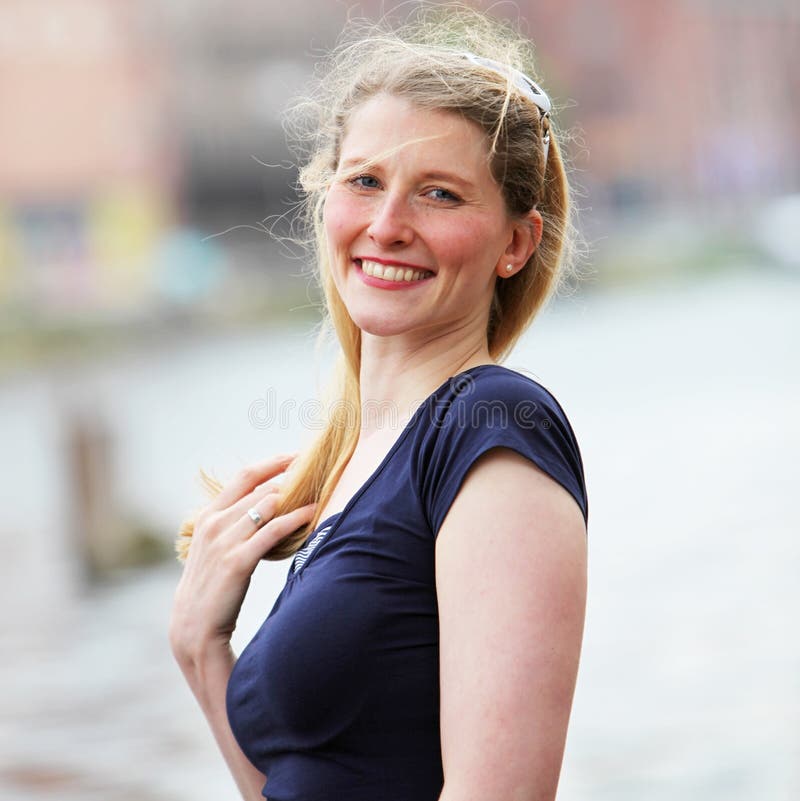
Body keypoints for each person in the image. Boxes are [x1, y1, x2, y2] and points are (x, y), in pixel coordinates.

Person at [170, 7, 589, 801]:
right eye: (364, 181)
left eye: (438, 193)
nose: (388, 225)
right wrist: (201, 651)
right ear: (327, 199)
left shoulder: (496, 429)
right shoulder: (357, 460)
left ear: (516, 242)